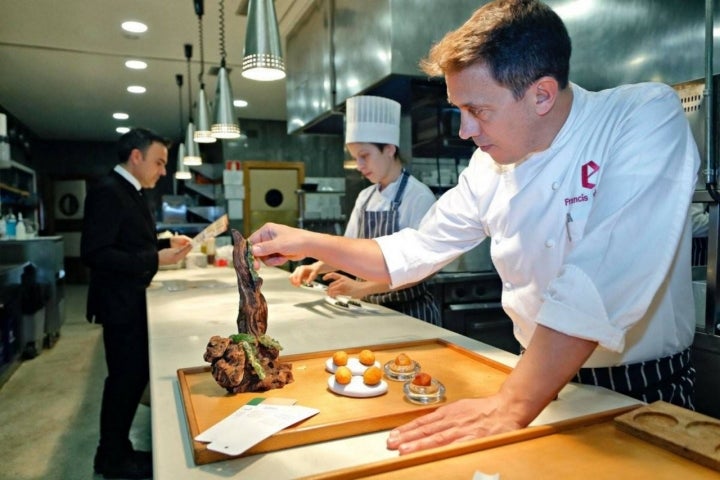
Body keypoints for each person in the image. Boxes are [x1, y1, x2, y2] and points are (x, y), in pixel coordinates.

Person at [248, 0, 700, 455]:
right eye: (459, 109)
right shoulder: (489, 163)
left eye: (478, 110)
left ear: (541, 94)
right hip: (538, 385)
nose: (465, 130)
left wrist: (510, 403)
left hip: (638, 389)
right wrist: (305, 242)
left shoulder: (640, 116)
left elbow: (602, 274)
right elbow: (418, 249)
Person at [81, 128, 192, 478]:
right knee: (124, 381)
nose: (162, 171)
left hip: (129, 300)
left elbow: (127, 242)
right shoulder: (108, 191)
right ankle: (111, 459)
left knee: (130, 378)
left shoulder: (128, 191)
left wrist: (163, 244)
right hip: (119, 304)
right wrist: (159, 259)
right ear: (136, 157)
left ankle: (118, 451)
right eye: (159, 162)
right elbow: (96, 253)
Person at [291, 95, 440, 324]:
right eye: (355, 158)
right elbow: (348, 251)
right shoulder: (365, 197)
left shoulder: (418, 196)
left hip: (411, 314)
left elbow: (422, 268)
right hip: (371, 310)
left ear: (389, 149)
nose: (359, 166)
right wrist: (315, 267)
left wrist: (362, 288)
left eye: (364, 156)